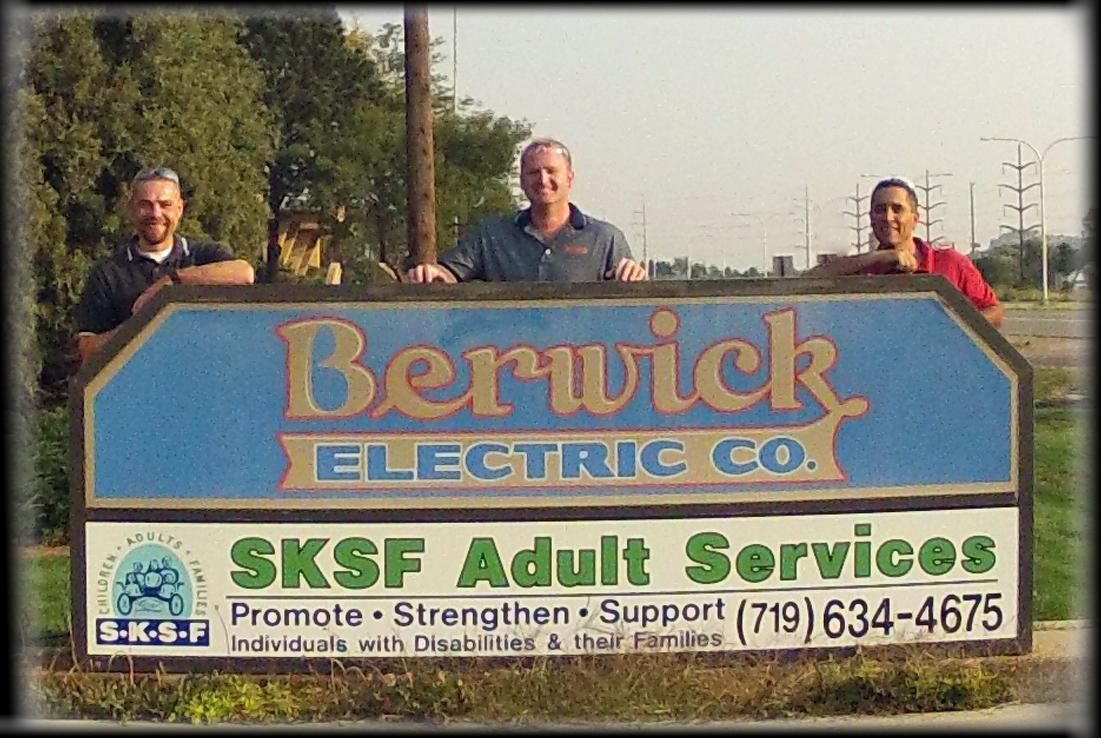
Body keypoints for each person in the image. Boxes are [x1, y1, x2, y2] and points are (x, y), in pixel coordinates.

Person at [74, 166, 255, 364]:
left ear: (180, 209)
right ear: (132, 209)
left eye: (165, 204)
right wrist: (146, 320)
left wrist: (173, 281)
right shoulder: (108, 272)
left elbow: (244, 274)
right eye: (146, 205)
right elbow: (88, 350)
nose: (155, 213)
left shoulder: (203, 255)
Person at [404, 138, 647, 283]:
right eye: (534, 172)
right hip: (511, 359)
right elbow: (450, 274)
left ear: (570, 179)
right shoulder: (492, 236)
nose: (542, 179)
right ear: (522, 181)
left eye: (552, 171)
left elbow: (632, 300)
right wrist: (431, 273)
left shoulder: (606, 239)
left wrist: (636, 278)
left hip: (581, 360)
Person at [805, 177, 1004, 327]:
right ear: (871, 218)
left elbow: (994, 311)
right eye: (880, 209)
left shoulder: (950, 262)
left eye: (897, 209)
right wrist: (879, 257)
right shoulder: (861, 270)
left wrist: (954, 328)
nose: (888, 217)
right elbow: (808, 282)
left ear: (915, 218)